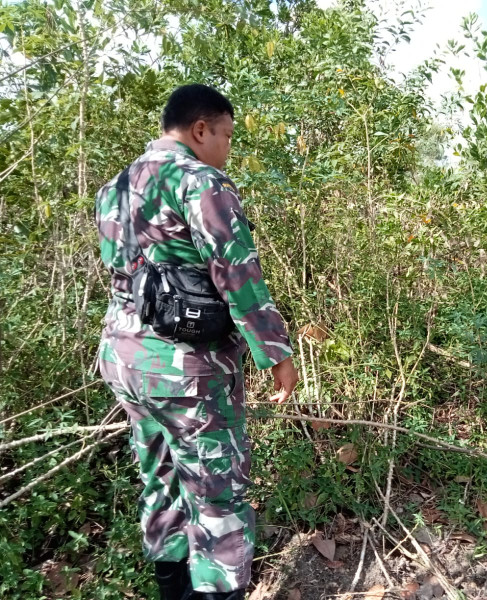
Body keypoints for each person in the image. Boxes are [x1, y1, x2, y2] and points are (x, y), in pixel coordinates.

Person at [95, 84, 298, 600]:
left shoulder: (115, 188)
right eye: (226, 135)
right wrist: (274, 352)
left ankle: (174, 592)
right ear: (200, 129)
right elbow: (237, 274)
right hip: (188, 370)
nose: (228, 146)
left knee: (159, 480)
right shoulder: (201, 182)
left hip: (126, 360)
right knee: (216, 495)